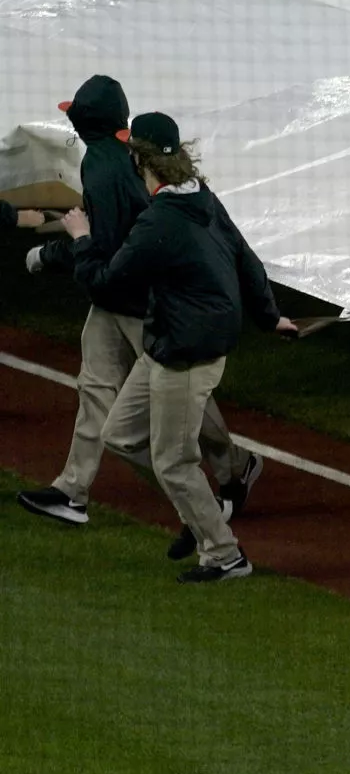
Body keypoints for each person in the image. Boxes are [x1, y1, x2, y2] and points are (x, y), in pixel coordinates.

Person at [18, 75, 262, 530]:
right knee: (96, 387)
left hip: (142, 300)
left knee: (182, 395)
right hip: (118, 294)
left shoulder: (102, 167)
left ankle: (233, 467)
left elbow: (104, 243)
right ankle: (72, 491)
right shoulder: (126, 156)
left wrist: (49, 255)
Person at [85, 113, 298, 581]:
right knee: (119, 436)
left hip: (187, 349)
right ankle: (196, 515)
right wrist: (269, 316)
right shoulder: (200, 195)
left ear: (138, 158)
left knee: (173, 462)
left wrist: (80, 239)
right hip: (174, 339)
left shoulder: (159, 220)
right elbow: (245, 256)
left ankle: (225, 554)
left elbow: (105, 280)